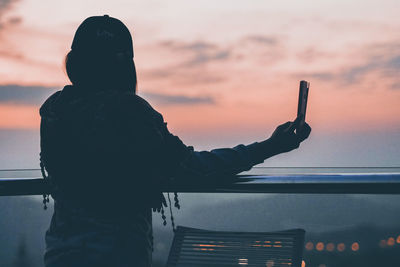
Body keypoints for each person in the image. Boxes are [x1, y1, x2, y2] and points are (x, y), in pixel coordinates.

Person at [39, 15, 311, 267]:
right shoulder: (129, 112)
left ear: (75, 64)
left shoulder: (55, 112)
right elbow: (193, 168)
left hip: (60, 253)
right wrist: (270, 146)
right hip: (116, 254)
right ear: (124, 66)